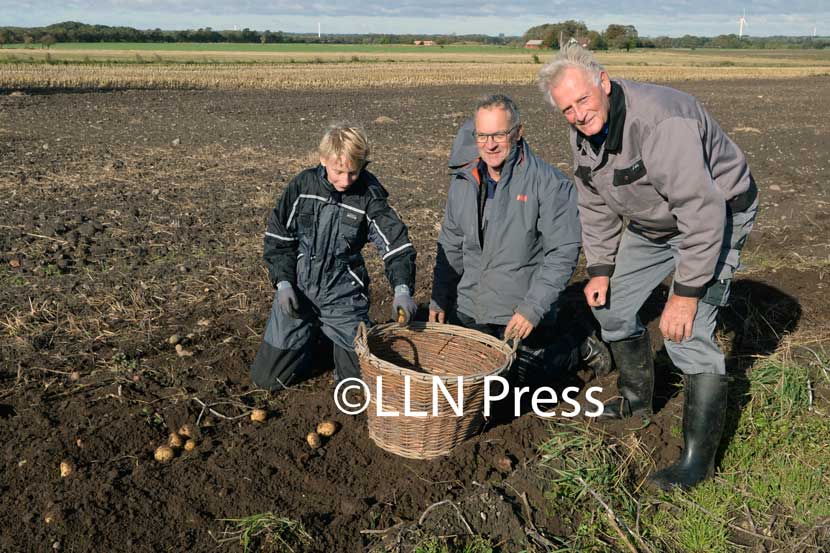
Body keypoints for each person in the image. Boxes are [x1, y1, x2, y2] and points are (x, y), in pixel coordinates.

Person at [539, 44, 759, 490]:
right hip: (652, 221)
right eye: (567, 109)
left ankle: (698, 462)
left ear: (604, 82)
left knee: (685, 332)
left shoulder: (660, 123)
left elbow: (701, 211)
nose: (579, 115)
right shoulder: (583, 133)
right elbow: (595, 201)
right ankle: (637, 401)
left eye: (583, 100)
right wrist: (600, 266)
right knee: (611, 308)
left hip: (718, 213)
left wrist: (686, 292)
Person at [429, 94, 611, 390]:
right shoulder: (464, 182)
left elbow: (562, 253)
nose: (490, 144)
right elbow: (450, 243)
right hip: (471, 305)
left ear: (518, 132)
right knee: (460, 380)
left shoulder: (549, 184)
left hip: (518, 309)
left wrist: (532, 308)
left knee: (513, 385)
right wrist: (439, 294)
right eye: (483, 136)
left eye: (499, 134)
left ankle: (576, 345)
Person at [250, 123, 417, 390]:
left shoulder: (368, 195)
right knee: (267, 380)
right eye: (338, 171)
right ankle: (313, 338)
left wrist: (402, 289)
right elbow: (279, 239)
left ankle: (339, 341)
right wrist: (283, 283)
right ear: (323, 159)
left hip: (342, 295)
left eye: (353, 172)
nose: (345, 180)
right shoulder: (302, 186)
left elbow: (396, 245)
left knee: (356, 387)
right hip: (300, 291)